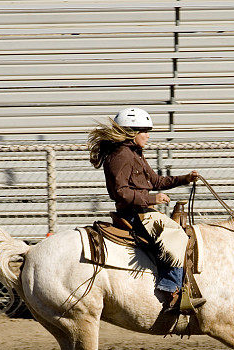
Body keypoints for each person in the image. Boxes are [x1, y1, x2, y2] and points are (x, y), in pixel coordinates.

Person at [87, 107, 205, 313]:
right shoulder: (121, 156)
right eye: (144, 131)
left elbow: (157, 180)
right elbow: (120, 192)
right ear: (131, 132)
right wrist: (153, 198)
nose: (148, 136)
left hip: (144, 211)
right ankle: (172, 291)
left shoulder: (134, 153)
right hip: (135, 214)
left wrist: (185, 178)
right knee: (177, 236)